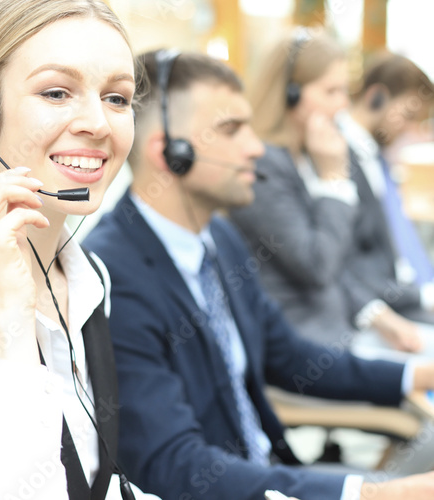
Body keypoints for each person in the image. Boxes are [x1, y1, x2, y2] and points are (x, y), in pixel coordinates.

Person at [84, 48, 434, 500]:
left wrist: (418, 376)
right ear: (170, 152)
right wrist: (376, 494)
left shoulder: (221, 241)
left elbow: (289, 356)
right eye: (232, 129)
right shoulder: (114, 275)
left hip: (267, 473)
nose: (256, 147)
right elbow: (178, 467)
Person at [0, 1, 158, 499]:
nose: (98, 123)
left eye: (117, 98)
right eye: (56, 92)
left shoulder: (89, 279)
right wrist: (10, 321)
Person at [229, 27, 422, 353]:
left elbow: (340, 267)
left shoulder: (305, 156)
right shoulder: (262, 166)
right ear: (290, 94)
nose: (343, 105)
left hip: (343, 329)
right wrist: (333, 179)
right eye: (332, 92)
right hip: (305, 347)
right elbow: (317, 265)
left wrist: (377, 315)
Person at [338, 52, 434, 356]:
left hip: (404, 299)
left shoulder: (376, 159)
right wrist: (421, 297)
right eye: (407, 116)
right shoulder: (337, 156)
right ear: (376, 97)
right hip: (375, 313)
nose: (409, 131)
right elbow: (344, 264)